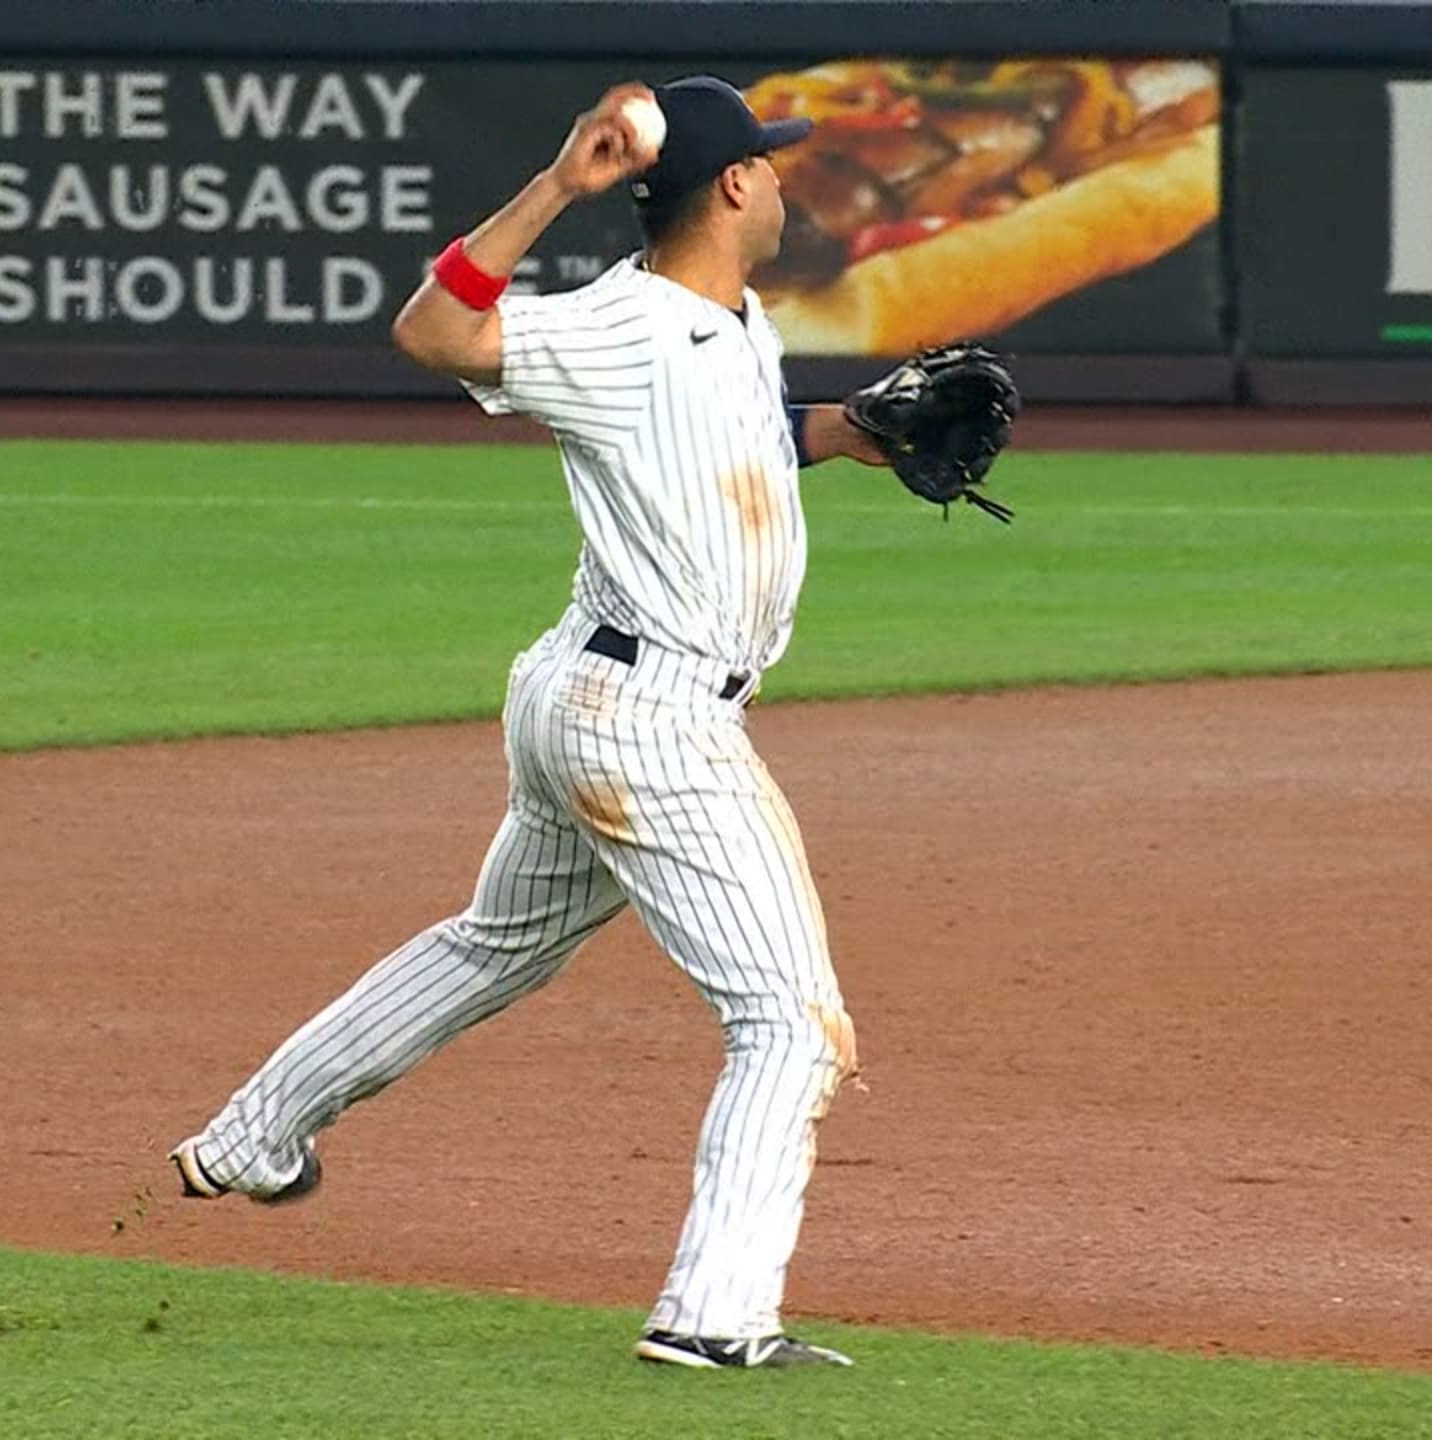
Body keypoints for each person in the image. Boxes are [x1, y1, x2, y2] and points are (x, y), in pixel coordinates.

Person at [166, 75, 901, 1370]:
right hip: (651, 722)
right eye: (773, 165)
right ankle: (715, 1316)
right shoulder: (619, 326)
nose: (785, 180)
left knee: (495, 944)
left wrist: (850, 433)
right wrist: (565, 185)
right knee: (790, 1022)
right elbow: (439, 334)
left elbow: (733, 433)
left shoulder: (731, 322)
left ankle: (252, 1136)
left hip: (587, 696)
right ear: (732, 186)